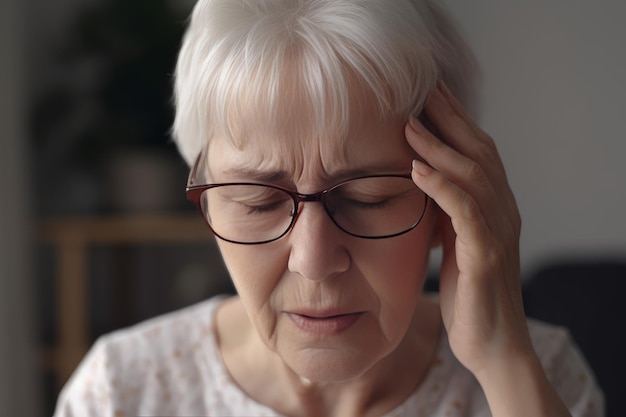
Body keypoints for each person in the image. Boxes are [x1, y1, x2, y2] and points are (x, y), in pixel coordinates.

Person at [54, 0, 604, 416]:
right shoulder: (122, 391)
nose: (314, 261)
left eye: (368, 198)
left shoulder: (538, 379)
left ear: (452, 207)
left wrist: (504, 365)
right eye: (258, 200)